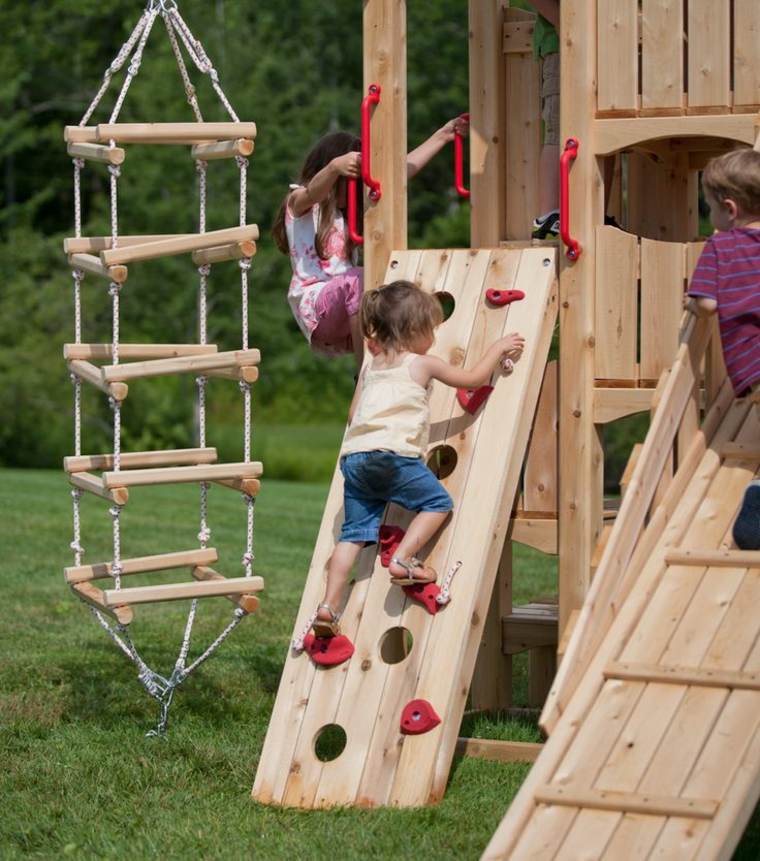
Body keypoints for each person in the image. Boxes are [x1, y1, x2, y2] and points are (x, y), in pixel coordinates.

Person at [309, 280, 525, 638]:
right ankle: (403, 558)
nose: (434, 337)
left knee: (351, 536)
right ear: (414, 331)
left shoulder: (371, 366)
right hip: (392, 456)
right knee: (438, 503)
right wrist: (497, 347)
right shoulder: (422, 364)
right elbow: (472, 377)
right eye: (431, 330)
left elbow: (352, 415)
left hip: (354, 459)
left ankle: (328, 607)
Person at [272, 118, 470, 372]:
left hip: (347, 309)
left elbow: (398, 176)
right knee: (359, 278)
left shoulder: (348, 214)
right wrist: (335, 168)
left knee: (393, 290)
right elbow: (312, 193)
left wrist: (443, 135)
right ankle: (364, 375)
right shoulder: (300, 203)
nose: (355, 190)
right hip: (315, 307)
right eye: (349, 182)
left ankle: (396, 364)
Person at [685, 148, 760, 550]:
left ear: (729, 209)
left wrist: (691, 303)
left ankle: (758, 497)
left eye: (709, 207)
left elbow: (709, 304)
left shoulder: (722, 246)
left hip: (754, 365)